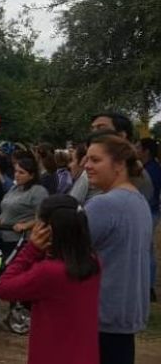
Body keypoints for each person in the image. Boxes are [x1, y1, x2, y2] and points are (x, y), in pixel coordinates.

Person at [0, 195, 101, 364]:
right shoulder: (93, 262)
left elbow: (4, 288)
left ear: (47, 229)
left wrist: (31, 249)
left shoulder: (49, 272)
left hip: (51, 355)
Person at [84, 134, 152, 363]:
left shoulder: (104, 204)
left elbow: (67, 251)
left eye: (95, 160)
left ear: (119, 164)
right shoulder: (138, 200)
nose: (87, 165)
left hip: (101, 314)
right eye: (86, 159)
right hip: (124, 314)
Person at [0, 154, 48, 258]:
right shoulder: (14, 189)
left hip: (22, 240)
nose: (16, 175)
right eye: (16, 171)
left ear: (32, 175)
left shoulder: (38, 191)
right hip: (4, 236)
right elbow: (6, 209)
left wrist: (26, 225)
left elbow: (44, 217)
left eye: (21, 172)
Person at [138, 138, 160, 302]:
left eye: (138, 147)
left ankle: (148, 286)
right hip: (150, 212)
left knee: (145, 249)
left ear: (146, 151)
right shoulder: (150, 168)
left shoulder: (151, 171)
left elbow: (151, 196)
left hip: (148, 212)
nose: (135, 149)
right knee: (148, 249)